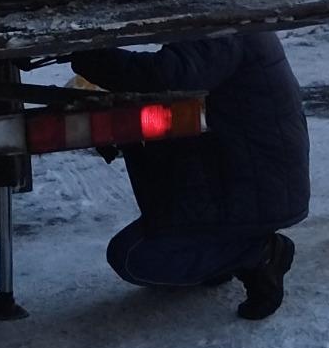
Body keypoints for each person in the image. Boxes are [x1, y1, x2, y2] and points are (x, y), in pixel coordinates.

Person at [68, 31, 308, 321]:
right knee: (140, 249)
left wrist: (92, 57)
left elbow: (169, 74)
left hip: (254, 185)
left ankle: (259, 253)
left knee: (133, 257)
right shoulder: (235, 22)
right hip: (238, 175)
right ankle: (222, 255)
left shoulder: (227, 30)